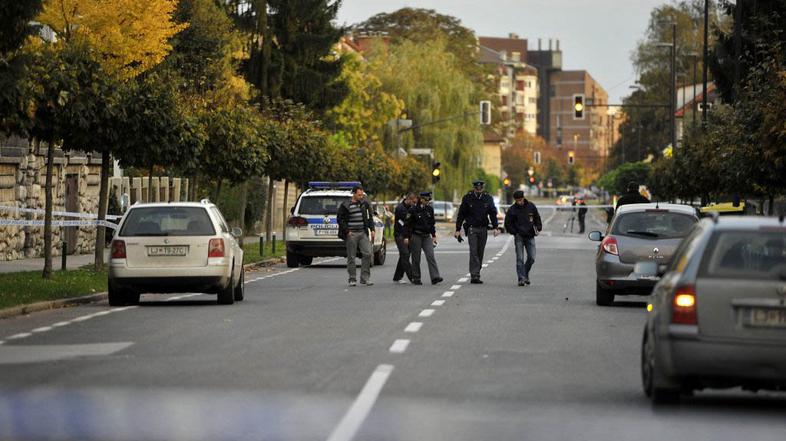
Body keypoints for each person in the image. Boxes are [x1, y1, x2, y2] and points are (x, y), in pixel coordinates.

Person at [454, 180, 499, 284]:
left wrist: (496, 227)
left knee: (480, 252)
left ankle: (477, 272)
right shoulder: (467, 198)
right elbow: (461, 214)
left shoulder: (488, 198)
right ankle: (474, 275)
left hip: (483, 228)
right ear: (474, 188)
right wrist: (457, 229)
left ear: (483, 188)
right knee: (473, 251)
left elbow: (492, 213)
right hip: (472, 228)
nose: (479, 190)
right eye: (477, 188)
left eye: (480, 188)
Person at [337, 185, 375, 286]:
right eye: (359, 195)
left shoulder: (364, 204)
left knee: (367, 253)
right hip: (351, 234)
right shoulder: (345, 205)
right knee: (351, 257)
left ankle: (365, 278)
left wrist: (372, 229)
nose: (361, 197)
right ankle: (352, 278)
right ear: (354, 194)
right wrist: (347, 231)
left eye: (362, 195)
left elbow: (369, 217)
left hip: (363, 233)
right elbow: (340, 219)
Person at [504, 191, 542, 286]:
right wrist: (514, 232)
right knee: (519, 258)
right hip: (519, 236)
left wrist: (538, 227)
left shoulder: (531, 206)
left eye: (520, 200)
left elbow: (537, 218)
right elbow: (507, 223)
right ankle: (521, 278)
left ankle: (525, 273)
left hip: (530, 235)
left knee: (532, 257)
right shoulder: (512, 210)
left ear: (523, 198)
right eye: (517, 200)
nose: (519, 202)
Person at [407, 191, 443, 285]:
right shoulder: (413, 210)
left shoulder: (430, 209)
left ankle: (435, 277)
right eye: (426, 200)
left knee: (430, 255)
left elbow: (432, 224)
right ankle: (416, 278)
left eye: (429, 200)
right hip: (416, 236)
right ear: (421, 199)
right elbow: (407, 224)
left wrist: (434, 236)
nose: (427, 202)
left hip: (427, 236)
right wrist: (407, 237)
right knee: (416, 258)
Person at [392, 192, 418, 283]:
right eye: (413, 202)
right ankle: (413, 277)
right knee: (405, 254)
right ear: (409, 199)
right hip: (400, 235)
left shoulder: (411, 208)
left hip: (408, 235)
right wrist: (405, 237)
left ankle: (397, 277)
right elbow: (402, 224)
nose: (414, 204)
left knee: (403, 256)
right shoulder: (400, 209)